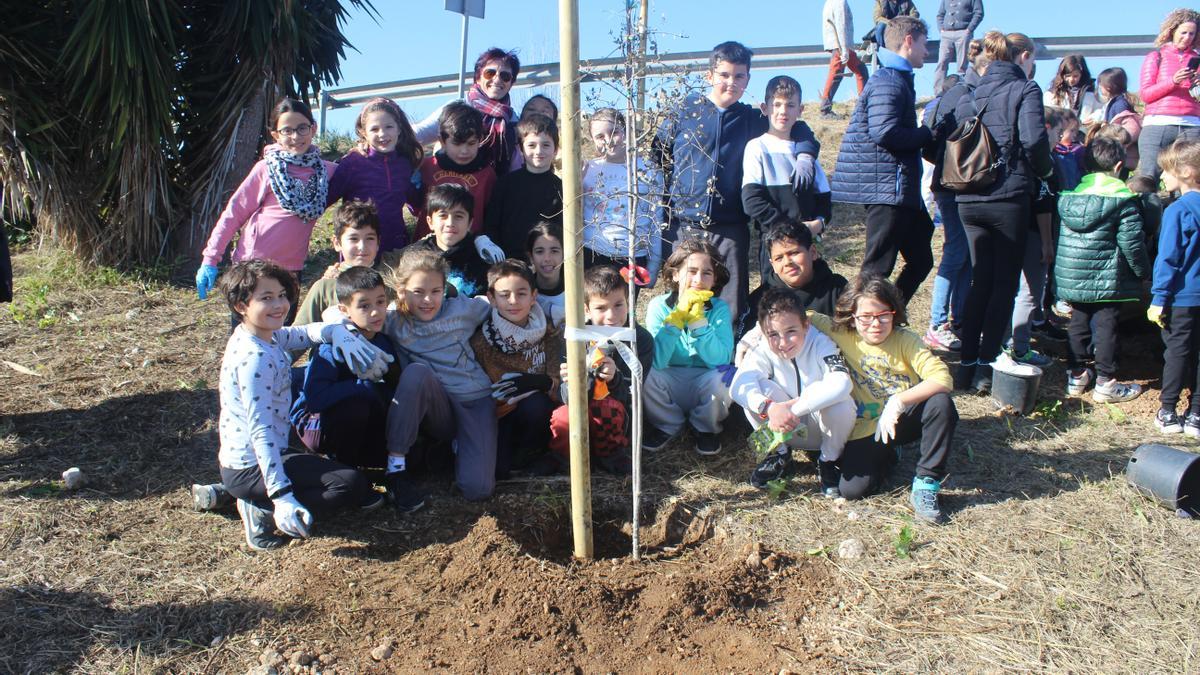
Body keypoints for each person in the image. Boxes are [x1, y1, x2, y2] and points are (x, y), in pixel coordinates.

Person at [213, 260, 381, 550]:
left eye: (281, 295)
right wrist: (281, 496)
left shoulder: (263, 335)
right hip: (253, 463)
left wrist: (334, 332)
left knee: (352, 482)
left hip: (257, 458)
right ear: (241, 306)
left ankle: (232, 492)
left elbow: (300, 334)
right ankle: (261, 508)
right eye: (266, 298)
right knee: (349, 485)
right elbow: (261, 432)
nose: (279, 305)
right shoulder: (255, 359)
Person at [653, 41, 818, 329]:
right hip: (683, 223)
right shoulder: (684, 111)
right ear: (710, 75)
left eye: (739, 76)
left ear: (748, 79)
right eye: (724, 74)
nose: (731, 82)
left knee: (730, 301)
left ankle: (727, 363)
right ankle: (679, 358)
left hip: (730, 227)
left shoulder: (750, 119)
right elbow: (658, 156)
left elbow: (794, 126)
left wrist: (805, 152)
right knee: (681, 296)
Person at [808, 274, 957, 524]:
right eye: (865, 317)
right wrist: (752, 339)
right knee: (851, 490)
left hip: (901, 418)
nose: (875, 324)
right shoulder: (842, 333)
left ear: (894, 312)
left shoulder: (905, 340)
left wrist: (898, 401)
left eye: (883, 315)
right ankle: (889, 456)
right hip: (866, 426)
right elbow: (801, 316)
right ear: (852, 316)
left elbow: (942, 378)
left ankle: (926, 482)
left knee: (940, 403)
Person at [952, 31, 1054, 393]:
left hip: (968, 198)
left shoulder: (970, 93)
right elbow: (1033, 140)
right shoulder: (1025, 90)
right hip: (1007, 196)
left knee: (980, 280)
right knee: (1003, 285)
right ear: (1020, 58)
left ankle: (964, 365)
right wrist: (1046, 171)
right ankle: (984, 365)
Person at [376, 249, 498, 507]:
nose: (428, 300)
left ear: (446, 289)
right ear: (401, 291)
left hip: (474, 399)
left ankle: (453, 447)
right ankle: (396, 467)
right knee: (416, 373)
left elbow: (497, 305)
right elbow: (344, 315)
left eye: (435, 291)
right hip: (436, 405)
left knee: (477, 489)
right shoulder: (394, 321)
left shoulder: (464, 309)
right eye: (418, 292)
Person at [831, 16, 936, 304]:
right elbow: (885, 131)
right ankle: (855, 323)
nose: (927, 52)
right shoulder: (889, 80)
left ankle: (888, 314)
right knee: (877, 267)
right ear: (908, 41)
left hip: (898, 190)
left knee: (921, 260)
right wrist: (925, 134)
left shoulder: (895, 78)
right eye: (924, 44)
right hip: (887, 189)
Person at [195, 98, 336, 302]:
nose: (295, 136)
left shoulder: (327, 173)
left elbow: (357, 174)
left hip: (291, 271)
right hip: (252, 268)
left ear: (313, 129)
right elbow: (233, 214)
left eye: (302, 128)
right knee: (247, 332)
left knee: (282, 332)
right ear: (275, 135)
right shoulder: (266, 169)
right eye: (287, 130)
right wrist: (210, 259)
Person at [731, 288, 856, 494]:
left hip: (820, 428)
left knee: (841, 403)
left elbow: (842, 382)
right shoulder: (762, 346)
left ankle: (828, 460)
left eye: (791, 331)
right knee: (758, 390)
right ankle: (779, 454)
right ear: (763, 331)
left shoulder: (821, 342)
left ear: (805, 325)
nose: (783, 342)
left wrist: (792, 410)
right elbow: (739, 385)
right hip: (782, 430)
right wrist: (769, 408)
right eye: (773, 334)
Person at [1055, 136, 1149, 403]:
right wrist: (1143, 272)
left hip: (1074, 274)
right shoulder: (1122, 200)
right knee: (1106, 325)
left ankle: (1076, 375)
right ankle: (1106, 383)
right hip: (1109, 277)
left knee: (1078, 322)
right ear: (1119, 166)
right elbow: (1132, 243)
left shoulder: (1070, 198)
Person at [291, 266, 400, 471]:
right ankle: (343, 469)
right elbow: (316, 398)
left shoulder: (384, 342)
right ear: (344, 310)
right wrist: (364, 387)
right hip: (317, 424)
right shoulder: (331, 348)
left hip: (362, 420)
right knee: (355, 407)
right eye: (364, 306)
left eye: (380, 301)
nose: (376, 311)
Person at [548, 266, 654, 474]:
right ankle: (564, 459)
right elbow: (564, 395)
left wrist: (615, 379)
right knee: (563, 417)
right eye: (601, 308)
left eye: (618, 305)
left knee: (608, 409)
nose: (611, 316)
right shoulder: (574, 336)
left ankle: (611, 457)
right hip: (578, 407)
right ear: (586, 309)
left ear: (629, 302)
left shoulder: (640, 339)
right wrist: (576, 381)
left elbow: (633, 393)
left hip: (617, 414)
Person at [642, 240, 736, 456]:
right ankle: (668, 424)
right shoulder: (658, 305)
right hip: (668, 378)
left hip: (704, 380)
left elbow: (720, 359)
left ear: (715, 280)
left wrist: (698, 324)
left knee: (723, 377)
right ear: (675, 274)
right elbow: (657, 360)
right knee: (646, 373)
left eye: (707, 273)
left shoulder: (720, 308)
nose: (698, 280)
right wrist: (675, 322)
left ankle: (705, 428)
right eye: (691, 271)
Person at [469, 260, 561, 478]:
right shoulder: (481, 341)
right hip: (501, 414)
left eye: (521, 293)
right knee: (498, 471)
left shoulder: (549, 332)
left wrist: (539, 383)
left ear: (533, 296)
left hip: (540, 411)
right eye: (504, 295)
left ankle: (535, 452)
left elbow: (559, 384)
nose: (513, 301)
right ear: (491, 298)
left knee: (535, 405)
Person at [742, 75, 831, 289]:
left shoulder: (807, 154)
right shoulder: (757, 147)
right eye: (777, 104)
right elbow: (751, 201)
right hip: (775, 242)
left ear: (800, 110)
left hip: (808, 242)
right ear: (765, 108)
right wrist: (790, 231)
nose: (783, 111)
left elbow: (825, 200)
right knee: (776, 300)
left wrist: (819, 222)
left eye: (790, 105)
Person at [325, 98, 423, 253]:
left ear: (399, 129)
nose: (382, 134)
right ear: (364, 132)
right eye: (374, 129)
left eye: (389, 127)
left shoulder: (405, 164)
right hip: (359, 251)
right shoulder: (352, 163)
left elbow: (416, 204)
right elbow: (325, 200)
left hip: (395, 249)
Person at [1149, 140, 1200, 436]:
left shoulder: (1177, 211)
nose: (1162, 177)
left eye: (1167, 171)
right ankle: (1196, 415)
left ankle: (1167, 410)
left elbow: (1168, 258)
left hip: (1181, 297)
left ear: (1186, 172)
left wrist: (1159, 297)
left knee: (1177, 352)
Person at [582, 107, 665, 285]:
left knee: (625, 311)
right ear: (593, 140)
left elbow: (656, 220)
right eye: (600, 136)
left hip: (632, 256)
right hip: (593, 253)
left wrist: (654, 263)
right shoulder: (588, 170)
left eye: (614, 132)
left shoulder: (648, 170)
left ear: (626, 131)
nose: (609, 140)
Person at [413, 47, 523, 176]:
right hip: (454, 186)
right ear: (478, 77)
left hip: (493, 190)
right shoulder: (456, 108)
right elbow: (418, 134)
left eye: (505, 76)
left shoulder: (513, 120)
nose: (497, 79)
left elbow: (517, 166)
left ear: (511, 82)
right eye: (490, 73)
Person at [737, 221, 847, 340]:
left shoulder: (838, 289)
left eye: (794, 253)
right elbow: (744, 346)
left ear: (813, 252)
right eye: (779, 258)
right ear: (772, 264)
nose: (787, 262)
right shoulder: (760, 299)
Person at [484, 114, 564, 259]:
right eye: (531, 145)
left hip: (545, 265)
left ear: (555, 150)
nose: (539, 151)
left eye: (546, 145)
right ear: (521, 149)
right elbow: (492, 225)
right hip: (508, 263)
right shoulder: (505, 184)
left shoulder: (561, 188)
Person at [414, 102, 498, 239]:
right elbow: (414, 205)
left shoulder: (487, 174)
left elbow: (490, 215)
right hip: (427, 249)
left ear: (480, 140)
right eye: (457, 144)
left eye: (471, 143)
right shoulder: (427, 167)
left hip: (469, 249)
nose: (464, 151)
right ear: (442, 141)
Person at [294, 200, 381, 327]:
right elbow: (299, 333)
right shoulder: (325, 287)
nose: (362, 246)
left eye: (370, 238)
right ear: (337, 243)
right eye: (353, 239)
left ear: (378, 242)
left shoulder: (388, 282)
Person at [1137, 9, 1200, 180]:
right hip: (1158, 124)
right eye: (1183, 32)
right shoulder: (1156, 57)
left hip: (1191, 124)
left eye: (1192, 33)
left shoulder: (1198, 60)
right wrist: (1173, 81)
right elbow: (1146, 94)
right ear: (1172, 31)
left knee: (1190, 179)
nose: (1187, 37)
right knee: (1149, 177)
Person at [403, 184, 491, 298]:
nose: (450, 223)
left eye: (458, 216)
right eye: (443, 215)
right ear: (430, 222)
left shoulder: (482, 258)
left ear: (470, 223)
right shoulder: (414, 256)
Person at [820, 0, 870, 119]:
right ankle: (825, 110)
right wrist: (844, 48)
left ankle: (863, 106)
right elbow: (841, 25)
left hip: (839, 45)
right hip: (840, 45)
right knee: (837, 74)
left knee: (859, 71)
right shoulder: (839, 2)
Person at [933, 0, 984, 97]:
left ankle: (962, 92)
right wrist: (941, 29)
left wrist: (969, 29)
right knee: (942, 63)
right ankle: (938, 94)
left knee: (962, 65)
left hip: (963, 33)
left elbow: (979, 13)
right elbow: (940, 14)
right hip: (946, 34)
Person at [1096, 68, 1143, 170]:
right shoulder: (1117, 102)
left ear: (1108, 87)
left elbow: (1117, 126)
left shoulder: (1119, 104)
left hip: (1121, 151)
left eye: (1100, 86)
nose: (1099, 88)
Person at [526, 221, 566, 327]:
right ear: (531, 257)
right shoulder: (522, 293)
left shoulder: (579, 292)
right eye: (539, 251)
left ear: (564, 254)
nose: (547, 258)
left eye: (554, 251)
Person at [1043, 55, 1103, 125]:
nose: (1071, 79)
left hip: (1084, 131)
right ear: (1062, 75)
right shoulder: (1052, 94)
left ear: (1082, 75)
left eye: (1075, 76)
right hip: (1061, 131)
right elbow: (1049, 113)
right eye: (1068, 76)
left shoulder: (1091, 93)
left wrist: (1094, 118)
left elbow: (1101, 110)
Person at [1051, 108, 1086, 191]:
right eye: (1072, 130)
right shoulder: (1052, 153)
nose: (1075, 135)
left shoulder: (1072, 153)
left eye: (1076, 131)